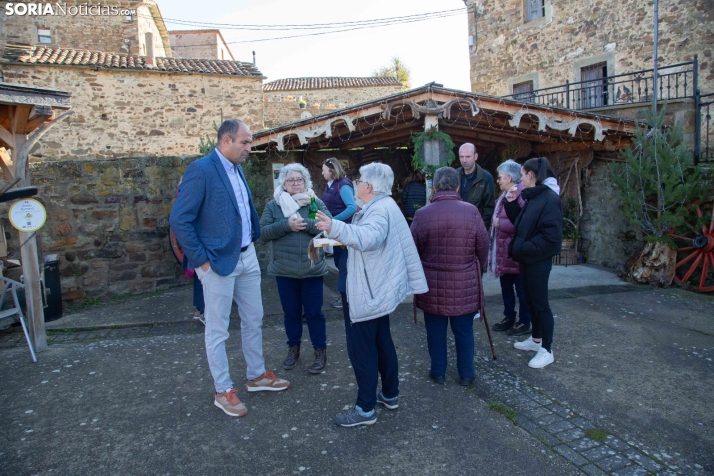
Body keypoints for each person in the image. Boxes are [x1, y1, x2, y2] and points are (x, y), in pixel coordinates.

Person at [169, 118, 290, 418]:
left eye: (249, 142)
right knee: (218, 329)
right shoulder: (201, 170)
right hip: (217, 263)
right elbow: (179, 220)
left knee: (254, 318)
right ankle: (223, 390)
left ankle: (256, 376)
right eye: (245, 142)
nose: (249, 147)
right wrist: (202, 261)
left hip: (247, 258)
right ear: (225, 140)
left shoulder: (236, 168)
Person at [315, 163, 428, 427]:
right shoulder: (382, 206)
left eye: (359, 180)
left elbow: (369, 238)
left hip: (366, 291)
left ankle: (365, 409)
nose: (355, 183)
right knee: (381, 342)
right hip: (375, 288)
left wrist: (334, 227)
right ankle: (389, 394)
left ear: (368, 186)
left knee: (362, 349)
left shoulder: (379, 210)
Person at [410, 167, 489, 386]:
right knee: (464, 331)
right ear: (457, 187)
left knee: (435, 331)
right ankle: (466, 374)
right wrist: (476, 268)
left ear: (434, 187)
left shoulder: (422, 214)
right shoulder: (471, 211)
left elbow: (411, 249)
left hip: (432, 284)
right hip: (464, 283)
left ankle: (438, 372)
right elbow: (483, 245)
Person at [261, 163, 332, 375]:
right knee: (291, 314)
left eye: (299, 180)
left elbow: (330, 227)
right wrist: (286, 225)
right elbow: (262, 233)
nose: (295, 183)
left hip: (311, 269)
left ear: (305, 182)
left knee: (314, 313)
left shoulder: (315, 202)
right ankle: (293, 349)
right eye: (290, 180)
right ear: (283, 182)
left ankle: (320, 351)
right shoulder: (274, 206)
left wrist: (307, 224)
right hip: (284, 270)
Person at [504, 157, 562, 369]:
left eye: (522, 174)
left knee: (540, 304)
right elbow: (522, 223)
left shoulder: (549, 199)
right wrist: (510, 203)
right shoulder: (534, 197)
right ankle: (536, 340)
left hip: (537, 261)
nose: (519, 178)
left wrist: (522, 248)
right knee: (529, 300)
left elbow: (551, 237)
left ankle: (547, 349)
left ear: (530, 175)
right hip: (527, 259)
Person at [489, 159, 532, 336]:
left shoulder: (520, 195)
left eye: (500, 177)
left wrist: (501, 225)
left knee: (521, 291)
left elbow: (524, 223)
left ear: (509, 177)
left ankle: (524, 322)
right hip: (505, 253)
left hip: (515, 253)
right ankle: (509, 317)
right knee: (506, 288)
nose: (498, 180)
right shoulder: (505, 196)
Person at [320, 157, 358, 310]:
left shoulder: (343, 185)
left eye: (324, 170)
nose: (322, 173)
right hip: (335, 231)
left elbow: (352, 208)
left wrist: (332, 221)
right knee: (338, 263)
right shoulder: (330, 185)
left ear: (332, 171)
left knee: (344, 265)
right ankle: (346, 296)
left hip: (343, 231)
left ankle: (346, 298)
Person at [456, 143, 495, 229]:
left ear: (476, 156)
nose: (464, 160)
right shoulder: (454, 175)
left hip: (475, 228)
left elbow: (489, 207)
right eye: (461, 157)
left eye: (468, 156)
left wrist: (481, 228)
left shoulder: (485, 178)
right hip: (455, 226)